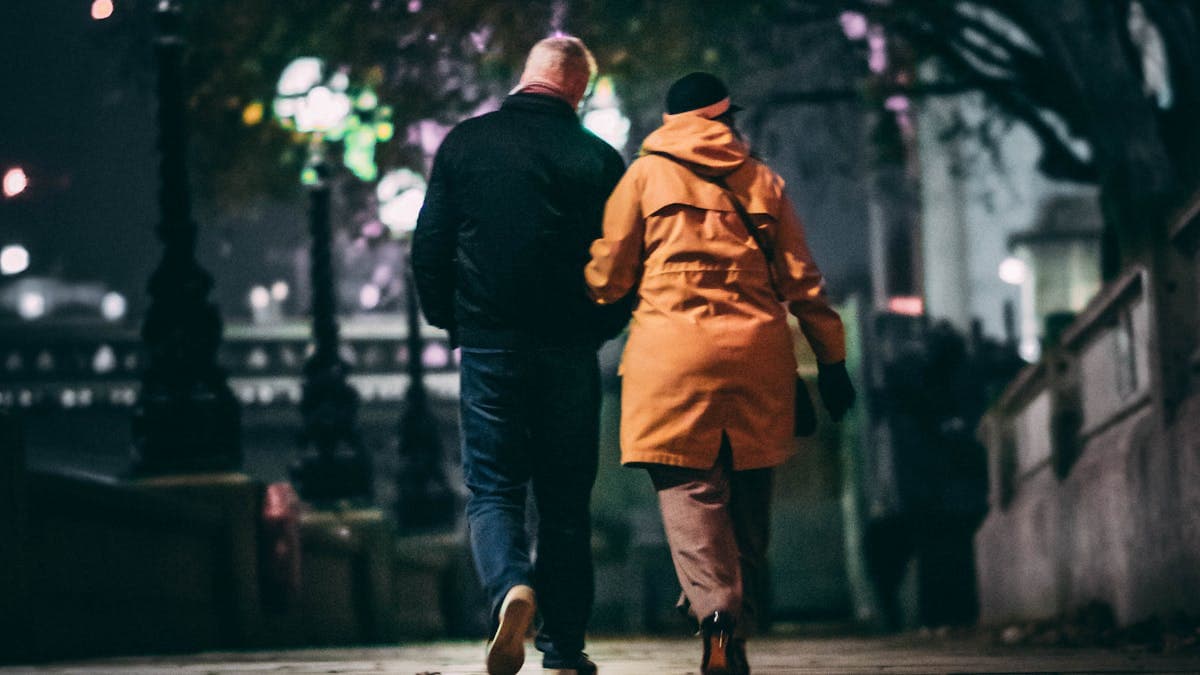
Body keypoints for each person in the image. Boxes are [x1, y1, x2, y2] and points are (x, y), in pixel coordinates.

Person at [584, 72, 856, 675]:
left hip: (671, 362)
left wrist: (594, 278)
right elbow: (805, 285)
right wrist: (832, 361)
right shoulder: (763, 182)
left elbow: (609, 279)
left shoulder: (643, 177)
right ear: (724, 118)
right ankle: (737, 624)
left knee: (690, 492)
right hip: (756, 359)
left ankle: (717, 615)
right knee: (748, 499)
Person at [412, 36, 630, 675]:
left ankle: (510, 584)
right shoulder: (598, 159)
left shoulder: (465, 144)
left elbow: (430, 246)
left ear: (526, 76)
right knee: (565, 502)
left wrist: (453, 320)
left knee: (493, 488)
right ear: (578, 90)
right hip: (569, 349)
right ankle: (563, 646)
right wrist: (600, 326)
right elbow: (626, 263)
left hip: (490, 345)